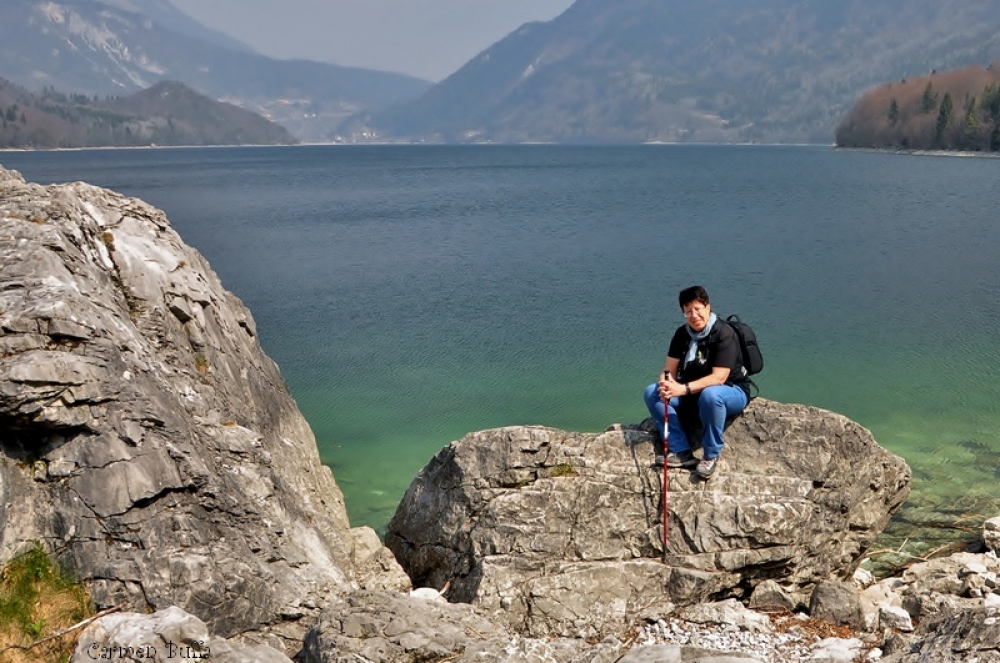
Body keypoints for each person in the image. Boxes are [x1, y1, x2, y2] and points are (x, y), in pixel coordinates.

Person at [643, 285, 751, 479]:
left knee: (711, 395)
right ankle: (681, 451)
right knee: (652, 392)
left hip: (731, 391)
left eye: (697, 309)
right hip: (693, 392)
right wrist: (666, 384)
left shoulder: (724, 333)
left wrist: (682, 389)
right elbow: (669, 369)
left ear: (707, 307)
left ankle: (711, 455)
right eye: (688, 312)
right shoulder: (682, 334)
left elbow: (719, 378)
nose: (694, 315)